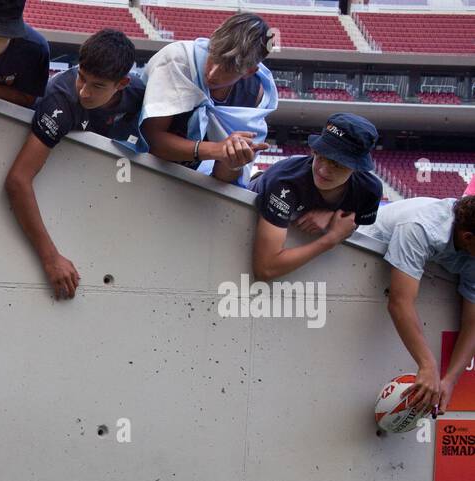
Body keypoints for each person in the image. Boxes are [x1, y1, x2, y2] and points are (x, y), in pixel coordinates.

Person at [5, 28, 144, 299]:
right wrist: (50, 258)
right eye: (82, 77)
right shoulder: (60, 101)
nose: (84, 91)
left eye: (98, 86)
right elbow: (17, 181)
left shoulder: (139, 93)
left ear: (122, 84)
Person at [356, 196, 475, 415]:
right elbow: (399, 303)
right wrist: (428, 365)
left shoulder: (470, 247)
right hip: (356, 257)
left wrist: (449, 381)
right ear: (468, 238)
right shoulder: (421, 227)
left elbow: (472, 324)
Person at [139, 11, 276, 184]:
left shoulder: (252, 95)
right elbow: (150, 140)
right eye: (213, 56)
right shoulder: (178, 60)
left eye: (227, 69)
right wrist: (215, 149)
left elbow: (224, 179)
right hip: (140, 171)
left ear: (249, 72)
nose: (212, 73)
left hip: (189, 184)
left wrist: (233, 160)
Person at [249, 114, 382, 281]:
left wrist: (332, 215)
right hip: (254, 187)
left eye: (337, 164)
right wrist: (331, 239)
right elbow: (265, 268)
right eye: (320, 156)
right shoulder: (284, 181)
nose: (323, 170)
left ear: (356, 167)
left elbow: (351, 224)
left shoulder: (369, 190)